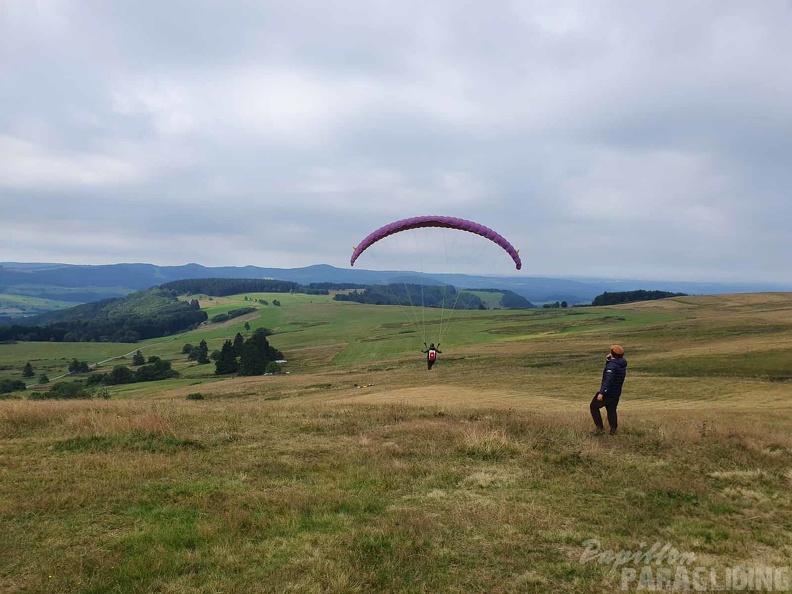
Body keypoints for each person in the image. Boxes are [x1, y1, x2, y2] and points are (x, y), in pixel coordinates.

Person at [590, 344, 628, 435]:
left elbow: (608, 379)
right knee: (611, 410)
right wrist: (609, 361)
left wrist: (602, 393)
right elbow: (612, 371)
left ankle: (599, 428)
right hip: (616, 393)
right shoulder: (621, 364)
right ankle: (613, 431)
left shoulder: (612, 365)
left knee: (593, 406)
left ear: (612, 354)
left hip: (608, 392)